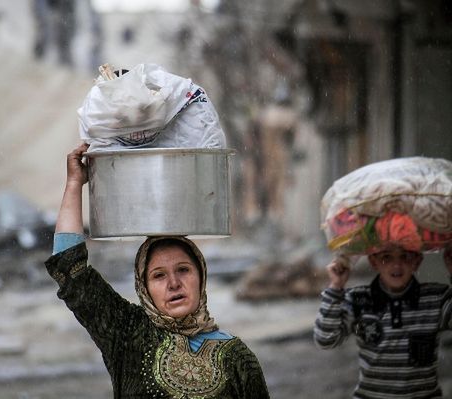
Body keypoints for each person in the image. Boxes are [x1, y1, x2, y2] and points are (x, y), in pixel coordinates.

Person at [44, 143, 270, 398]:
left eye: (183, 270)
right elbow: (69, 267)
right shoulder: (127, 334)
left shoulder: (238, 358)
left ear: (201, 277)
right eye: (158, 275)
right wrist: (74, 183)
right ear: (145, 288)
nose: (174, 283)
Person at [314, 245, 452, 398]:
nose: (397, 265)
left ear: (417, 261)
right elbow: (325, 340)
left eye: (405, 257)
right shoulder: (358, 300)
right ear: (374, 262)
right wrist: (336, 287)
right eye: (386, 257)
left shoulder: (436, 298)